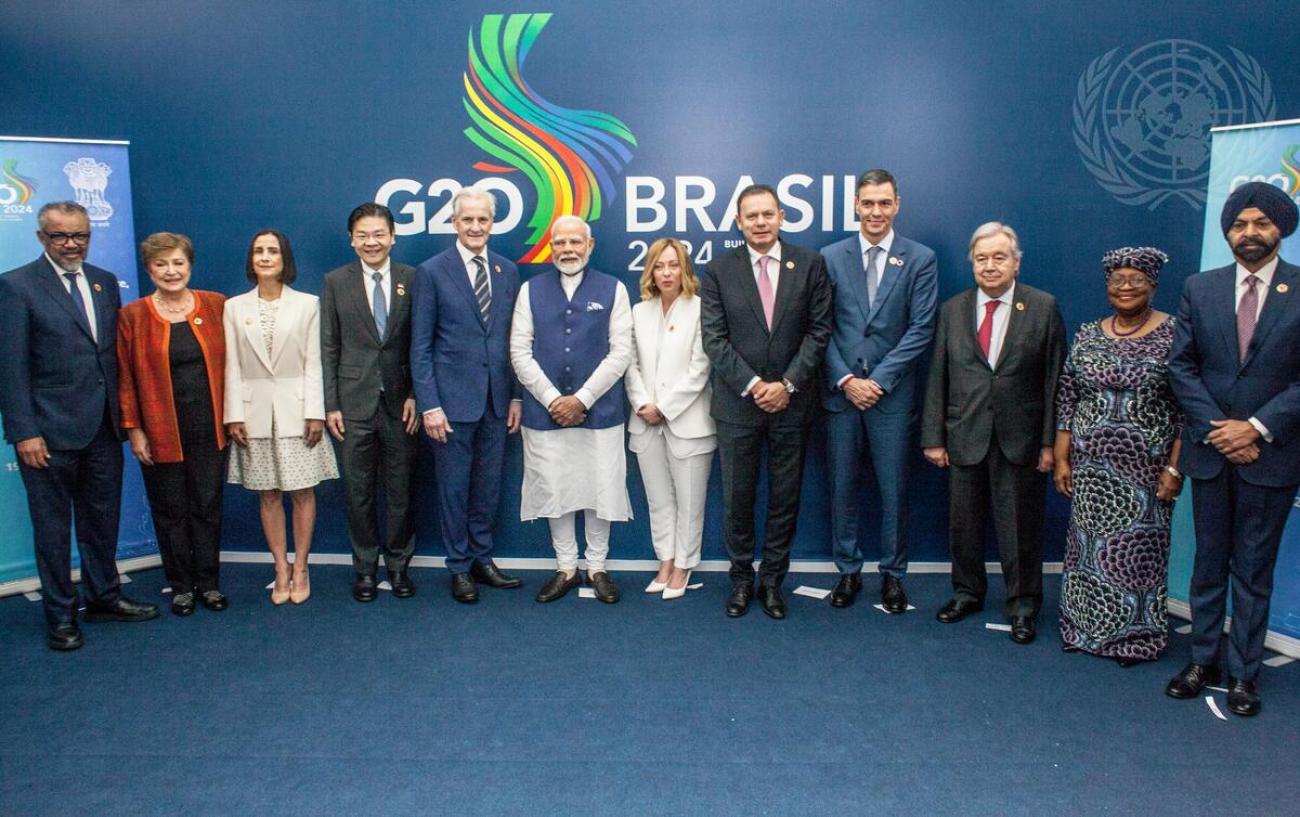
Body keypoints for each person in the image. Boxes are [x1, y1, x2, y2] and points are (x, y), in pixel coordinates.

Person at [1164, 182, 1300, 717]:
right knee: (1208, 564)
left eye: (1260, 224)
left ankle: (1244, 674)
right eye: (1240, 225)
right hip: (1212, 450)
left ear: (1280, 229)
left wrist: (1257, 427)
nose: (1249, 233)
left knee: (1253, 568)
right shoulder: (1201, 287)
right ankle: (1203, 660)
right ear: (1228, 232)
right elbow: (1182, 365)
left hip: (1272, 453)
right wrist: (1221, 428)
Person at [0, 201, 159, 650]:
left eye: (80, 235)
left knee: (101, 523)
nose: (71, 244)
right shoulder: (15, 286)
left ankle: (105, 597)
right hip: (46, 435)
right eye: (60, 236)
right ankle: (61, 616)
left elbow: (108, 357)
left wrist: (125, 422)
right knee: (53, 531)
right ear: (41, 238)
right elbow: (10, 368)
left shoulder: (105, 282)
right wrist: (24, 432)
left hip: (103, 429)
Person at [921, 221, 1065, 644]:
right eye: (981, 258)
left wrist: (1047, 442)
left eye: (999, 257)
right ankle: (967, 593)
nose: (989, 266)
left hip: (1021, 440)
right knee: (963, 525)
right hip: (964, 434)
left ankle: (1022, 606)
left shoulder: (1042, 306)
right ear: (971, 263)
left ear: (1016, 262)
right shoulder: (952, 309)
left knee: (1019, 529)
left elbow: (1055, 380)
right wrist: (934, 437)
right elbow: (938, 376)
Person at [700, 183, 833, 620]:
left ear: (781, 217)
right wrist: (757, 385)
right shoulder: (718, 271)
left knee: (784, 498)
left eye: (767, 214)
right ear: (739, 222)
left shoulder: (810, 265)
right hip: (738, 407)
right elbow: (714, 340)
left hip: (792, 405)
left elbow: (819, 331)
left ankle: (773, 581)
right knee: (737, 498)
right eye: (751, 216)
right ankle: (741, 581)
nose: (760, 222)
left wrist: (788, 384)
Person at [1053, 247, 1182, 665]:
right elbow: (1068, 396)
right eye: (1117, 280)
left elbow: (1185, 409)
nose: (1126, 287)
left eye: (1136, 280)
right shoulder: (1089, 332)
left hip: (1146, 471)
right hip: (1091, 467)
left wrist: (1174, 467)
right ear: (1107, 286)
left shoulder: (1174, 334)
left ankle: (1134, 638)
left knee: (1136, 555)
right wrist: (1061, 456)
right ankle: (1085, 630)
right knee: (1089, 550)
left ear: (1153, 285)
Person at [820, 169, 937, 613]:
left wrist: (879, 381)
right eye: (867, 203)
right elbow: (821, 328)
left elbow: (922, 327)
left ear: (897, 205)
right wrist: (848, 380)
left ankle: (893, 575)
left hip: (892, 397)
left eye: (884, 203)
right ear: (855, 204)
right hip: (841, 395)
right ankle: (848, 572)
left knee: (894, 491)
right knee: (842, 488)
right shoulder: (830, 257)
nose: (875, 212)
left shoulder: (920, 258)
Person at [510, 214, 633, 604]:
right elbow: (518, 350)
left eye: (575, 242)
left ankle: (596, 567)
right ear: (551, 247)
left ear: (590, 246)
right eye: (560, 243)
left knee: (599, 489)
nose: (567, 249)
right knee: (555, 489)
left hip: (600, 412)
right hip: (543, 414)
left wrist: (581, 399)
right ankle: (565, 567)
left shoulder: (614, 289)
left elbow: (621, 352)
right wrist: (552, 399)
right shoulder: (530, 290)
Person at [411, 187, 524, 604]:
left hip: (496, 402)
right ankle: (458, 567)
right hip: (451, 405)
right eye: (468, 219)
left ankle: (482, 558)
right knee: (454, 489)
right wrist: (430, 405)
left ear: (492, 224)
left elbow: (512, 341)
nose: (476, 227)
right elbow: (420, 346)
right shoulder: (432, 271)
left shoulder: (506, 270)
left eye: (483, 220)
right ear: (454, 223)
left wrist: (515, 397)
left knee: (487, 488)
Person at [117, 232, 229, 616]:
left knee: (207, 507)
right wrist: (134, 429)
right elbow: (125, 378)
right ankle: (181, 586)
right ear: (149, 269)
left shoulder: (215, 305)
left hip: (209, 428)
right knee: (170, 511)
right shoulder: (132, 316)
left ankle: (209, 584)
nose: (171, 271)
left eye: (178, 262)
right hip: (160, 430)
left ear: (190, 265)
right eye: (161, 264)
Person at [224, 230, 338, 605]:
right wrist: (233, 414)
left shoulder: (308, 304)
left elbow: (313, 363)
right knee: (268, 495)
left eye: (273, 251)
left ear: (285, 258)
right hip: (254, 413)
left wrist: (314, 412)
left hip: (298, 411)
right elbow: (233, 365)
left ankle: (302, 567)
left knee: (302, 492)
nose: (266, 257)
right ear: (250, 259)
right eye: (258, 251)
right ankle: (280, 568)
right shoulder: (234, 307)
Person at [321, 203, 419, 603]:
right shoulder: (335, 281)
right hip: (352, 404)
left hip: (402, 404)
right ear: (352, 240)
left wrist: (417, 394)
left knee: (401, 490)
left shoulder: (413, 279)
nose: (371, 242)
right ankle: (365, 569)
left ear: (393, 237)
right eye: (363, 235)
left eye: (379, 234)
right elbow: (328, 346)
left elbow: (420, 343)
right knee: (357, 493)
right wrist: (331, 404)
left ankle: (398, 567)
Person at [626, 238, 715, 600]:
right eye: (659, 266)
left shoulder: (701, 308)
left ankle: (684, 565)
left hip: (689, 423)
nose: (666, 273)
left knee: (690, 502)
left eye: (673, 265)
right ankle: (665, 561)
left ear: (685, 269)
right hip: (645, 422)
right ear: (650, 271)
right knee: (659, 501)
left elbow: (701, 366)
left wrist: (665, 407)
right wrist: (644, 403)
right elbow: (628, 364)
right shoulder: (638, 311)